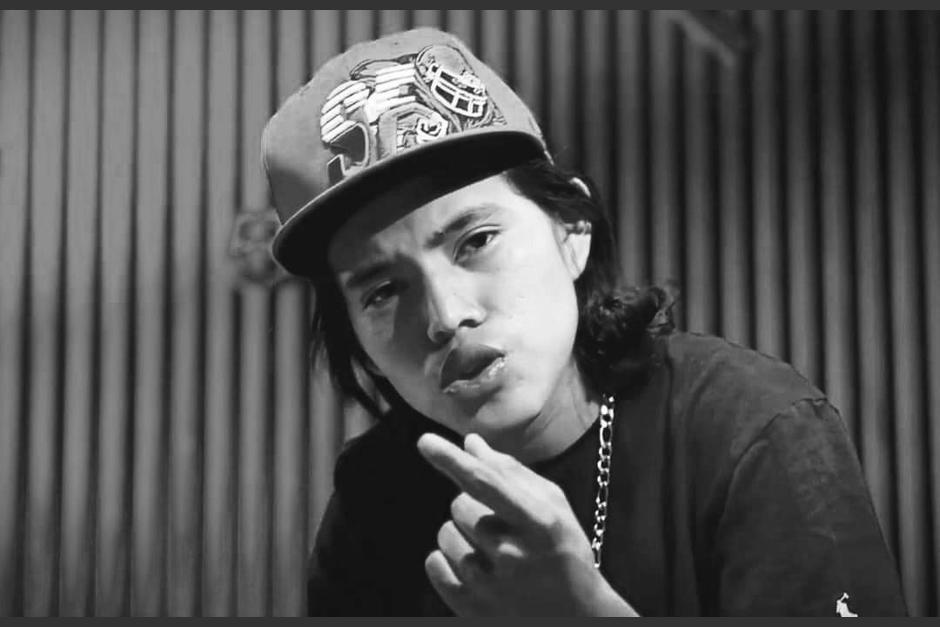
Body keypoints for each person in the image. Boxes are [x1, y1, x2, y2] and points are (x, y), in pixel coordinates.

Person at [261, 27, 908, 616]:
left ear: (572, 231)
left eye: (476, 241)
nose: (447, 316)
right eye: (382, 291)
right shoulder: (377, 498)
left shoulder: (748, 430)